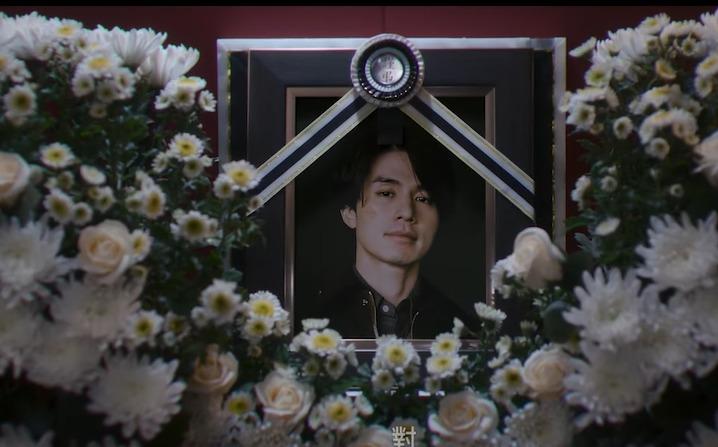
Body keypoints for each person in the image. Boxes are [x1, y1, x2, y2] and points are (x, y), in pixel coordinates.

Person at [320, 143, 476, 339]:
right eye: (386, 193)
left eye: (422, 198)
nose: (407, 212)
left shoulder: (466, 332)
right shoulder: (309, 327)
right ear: (349, 212)